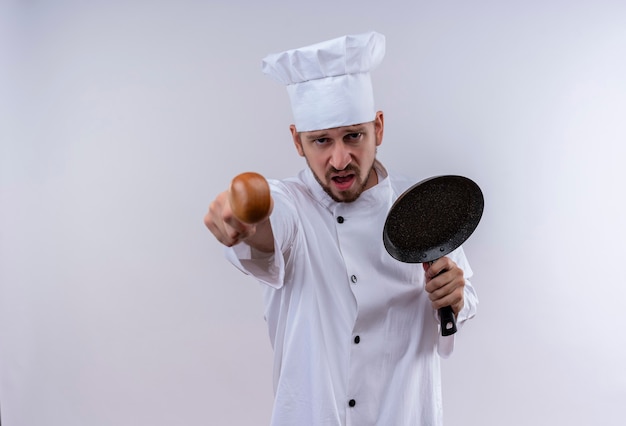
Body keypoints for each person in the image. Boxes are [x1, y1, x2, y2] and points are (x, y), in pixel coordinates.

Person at [204, 31, 478, 426]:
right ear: (298, 142)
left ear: (378, 128)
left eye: (353, 136)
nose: (339, 159)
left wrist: (454, 295)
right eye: (321, 141)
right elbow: (267, 229)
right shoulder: (291, 205)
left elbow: (463, 298)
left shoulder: (418, 205)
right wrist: (244, 219)